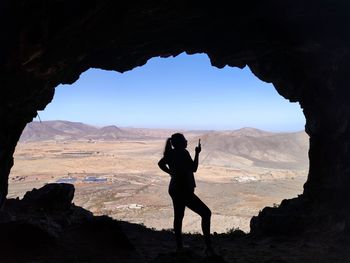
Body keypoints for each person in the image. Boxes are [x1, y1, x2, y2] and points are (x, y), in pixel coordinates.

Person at [158, 133, 213, 254]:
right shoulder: (183, 153)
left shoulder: (170, 153)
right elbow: (194, 168)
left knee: (178, 217)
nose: (187, 141)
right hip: (183, 190)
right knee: (206, 213)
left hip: (174, 188)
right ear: (179, 143)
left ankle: (179, 247)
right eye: (184, 140)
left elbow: (160, 164)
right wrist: (197, 153)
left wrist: (170, 173)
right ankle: (208, 247)